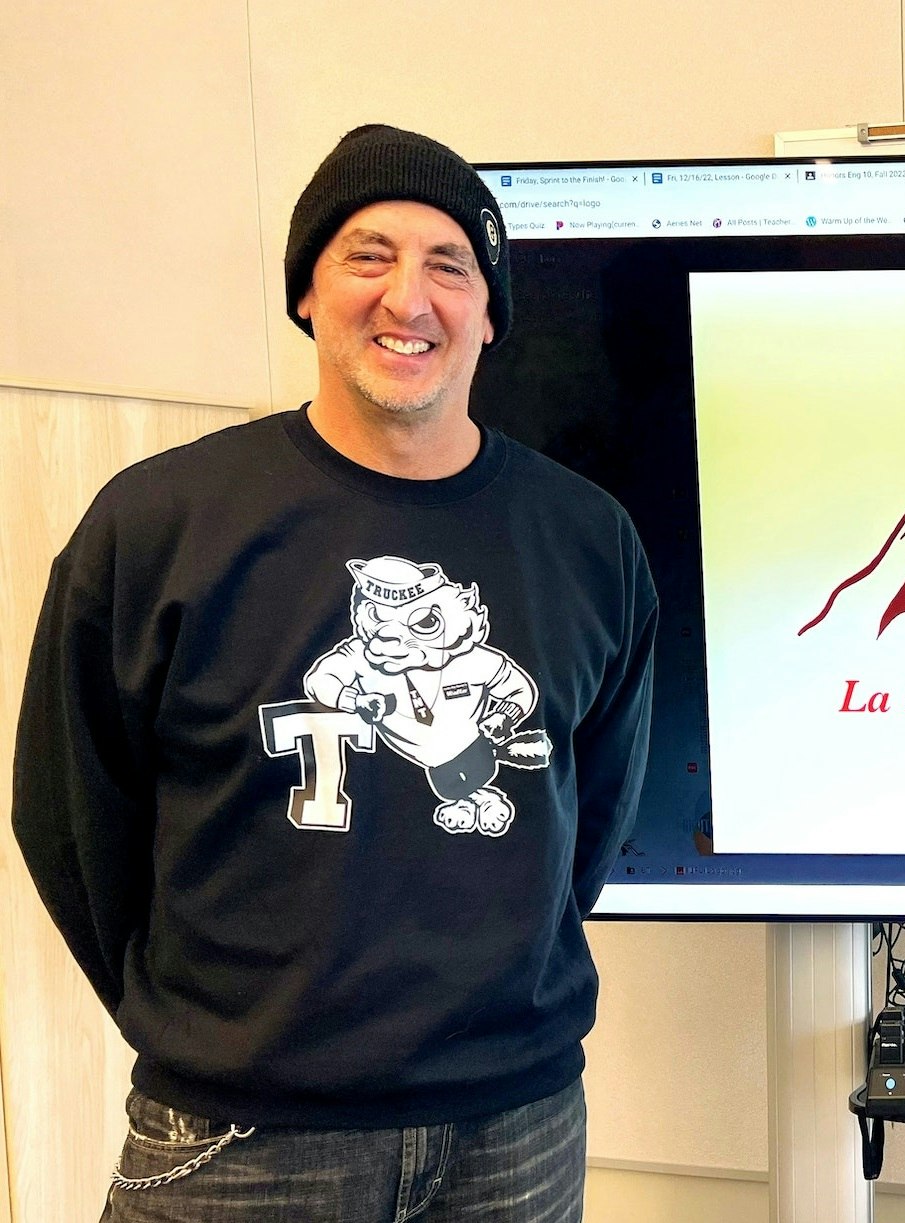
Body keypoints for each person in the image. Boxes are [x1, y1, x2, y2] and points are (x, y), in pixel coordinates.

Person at [12, 124, 657, 1221]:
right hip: (241, 1132)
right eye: (368, 255)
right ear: (306, 291)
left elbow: (585, 817)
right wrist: (214, 1031)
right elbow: (72, 817)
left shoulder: (586, 538)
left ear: (489, 314)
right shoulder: (159, 523)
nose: (409, 297)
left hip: (518, 1124)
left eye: (450, 265)